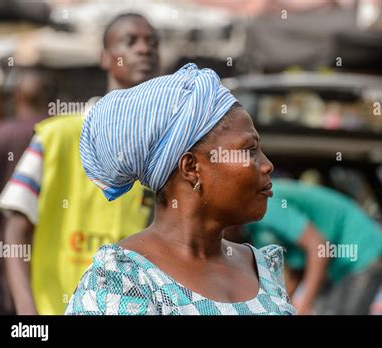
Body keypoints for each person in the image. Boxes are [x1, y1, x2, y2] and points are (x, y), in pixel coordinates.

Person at [65, 63, 296, 315]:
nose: (267, 165)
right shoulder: (123, 280)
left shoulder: (261, 268)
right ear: (191, 167)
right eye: (249, 150)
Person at [0, 13, 160, 315]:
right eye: (130, 41)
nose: (144, 49)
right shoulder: (57, 136)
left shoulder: (161, 148)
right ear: (105, 58)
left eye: (152, 43)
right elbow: (15, 230)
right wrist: (27, 313)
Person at [246, 179, 382, 315]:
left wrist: (303, 307)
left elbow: (318, 247)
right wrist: (282, 306)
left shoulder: (267, 205)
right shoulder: (254, 226)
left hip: (364, 252)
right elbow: (298, 268)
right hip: (339, 262)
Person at [0, 69, 53, 314]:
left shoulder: (2, 135)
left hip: (7, 249)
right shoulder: (57, 133)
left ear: (17, 96)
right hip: (55, 244)